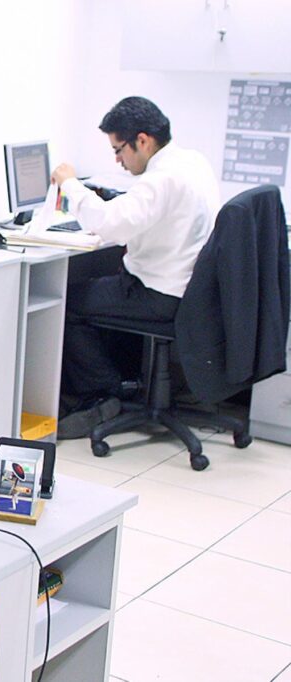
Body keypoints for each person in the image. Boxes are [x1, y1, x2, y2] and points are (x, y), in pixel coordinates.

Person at [50, 96, 220, 439]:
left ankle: (104, 395)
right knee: (101, 287)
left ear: (142, 141)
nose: (118, 160)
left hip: (159, 295)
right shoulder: (192, 161)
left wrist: (70, 184)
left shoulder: (161, 180)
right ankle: (115, 386)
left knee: (65, 304)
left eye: (119, 150)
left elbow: (111, 225)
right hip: (189, 291)